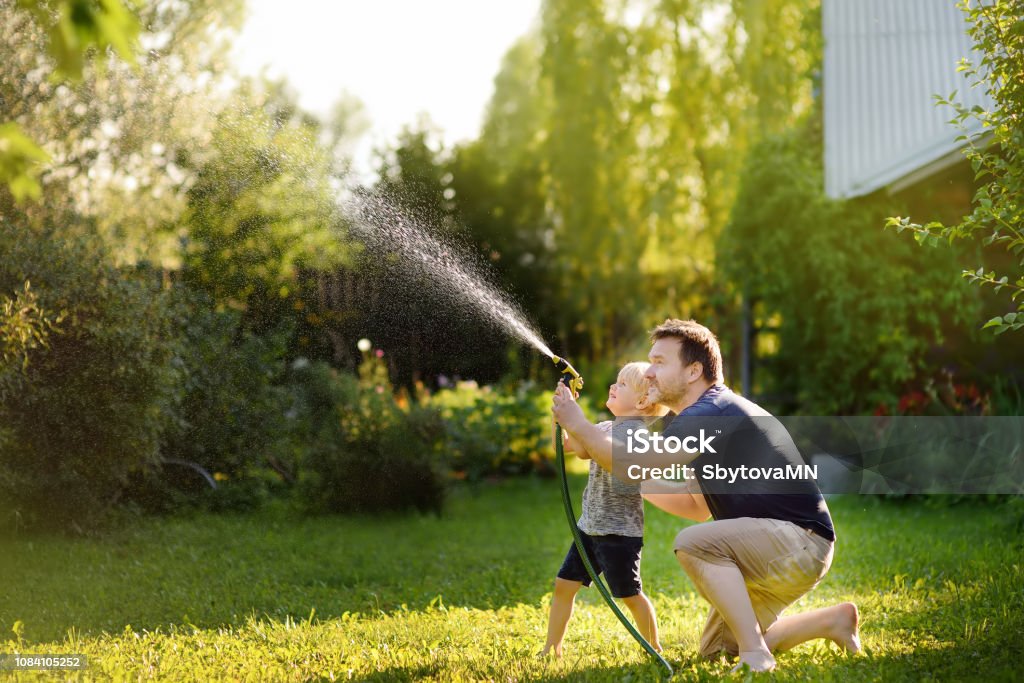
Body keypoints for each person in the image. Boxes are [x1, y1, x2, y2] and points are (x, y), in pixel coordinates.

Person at [551, 320, 860, 672]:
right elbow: (696, 505)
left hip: (798, 542)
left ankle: (756, 656)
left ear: (694, 370)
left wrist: (580, 426)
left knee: (694, 543)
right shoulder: (705, 415)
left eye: (660, 362)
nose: (649, 372)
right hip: (784, 547)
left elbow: (641, 463)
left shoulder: (710, 412)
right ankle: (832, 622)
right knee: (716, 651)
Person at [540, 362, 666, 658]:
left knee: (630, 595)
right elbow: (577, 447)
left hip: (619, 534)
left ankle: (653, 646)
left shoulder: (638, 436)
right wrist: (564, 416)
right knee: (563, 585)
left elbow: (615, 455)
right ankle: (551, 647)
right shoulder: (604, 427)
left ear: (641, 402)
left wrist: (578, 424)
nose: (613, 386)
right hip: (589, 527)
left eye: (622, 384)